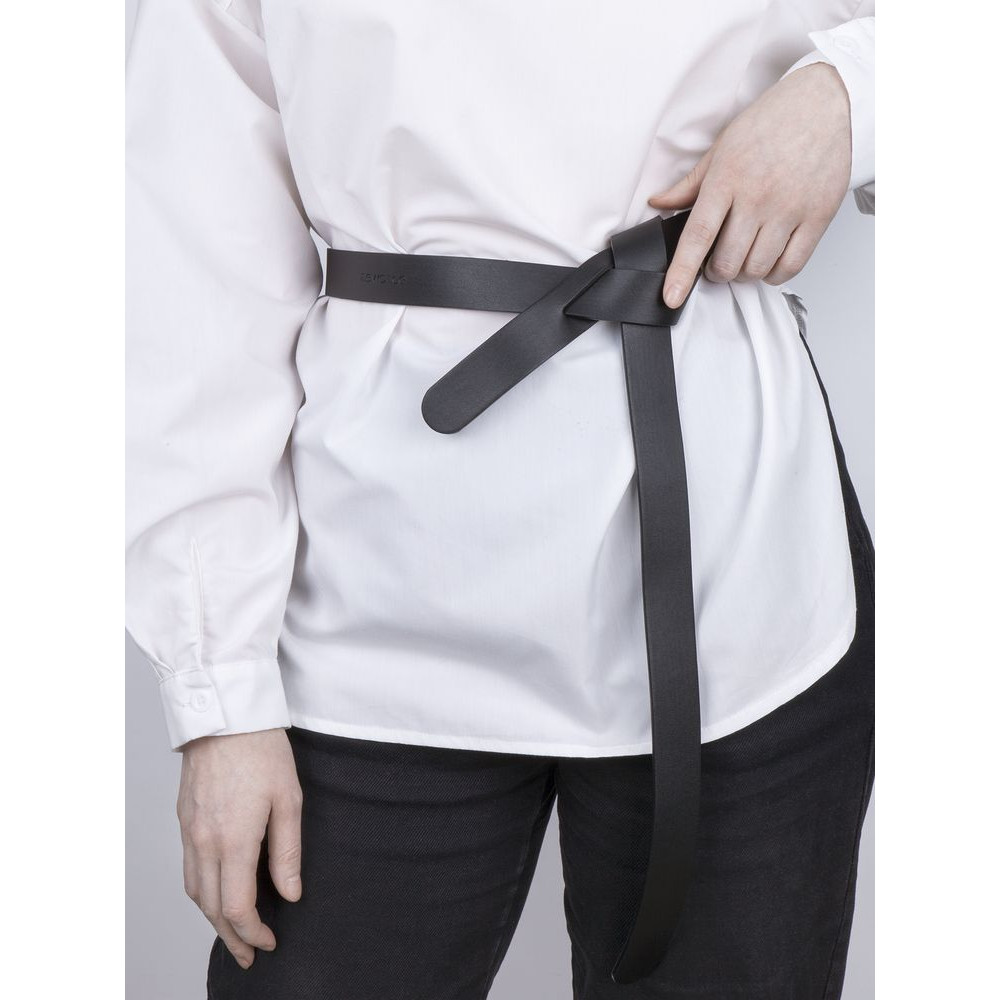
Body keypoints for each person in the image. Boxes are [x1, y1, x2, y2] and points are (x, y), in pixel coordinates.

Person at [125, 1, 875, 997]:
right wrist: (217, 693)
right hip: (367, 595)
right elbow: (190, 255)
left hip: (736, 568)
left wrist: (854, 92)